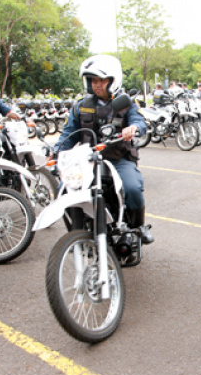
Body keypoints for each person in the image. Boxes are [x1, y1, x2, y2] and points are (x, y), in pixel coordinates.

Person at [51, 54, 153, 245]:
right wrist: (55, 154)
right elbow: (68, 134)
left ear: (112, 80)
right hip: (87, 160)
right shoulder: (80, 106)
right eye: (93, 80)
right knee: (63, 189)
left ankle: (138, 226)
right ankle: (77, 234)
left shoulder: (128, 103)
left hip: (118, 158)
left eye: (101, 80)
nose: (96, 84)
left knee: (131, 187)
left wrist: (134, 128)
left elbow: (140, 121)